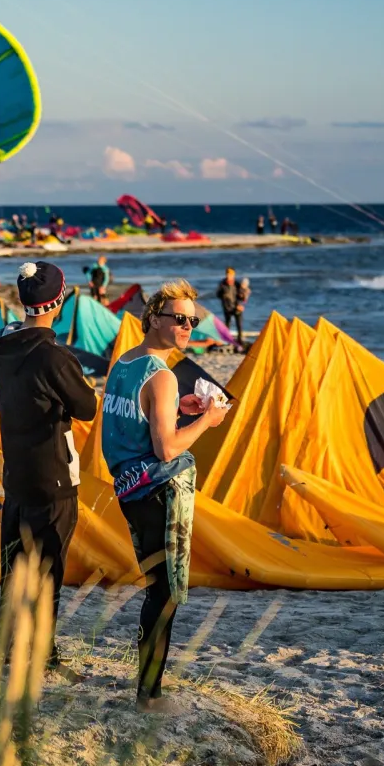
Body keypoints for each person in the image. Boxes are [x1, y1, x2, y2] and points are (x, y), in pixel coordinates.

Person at [102, 280, 228, 711]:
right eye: (178, 319)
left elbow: (136, 422)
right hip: (159, 490)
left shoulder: (124, 364)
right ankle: (149, 696)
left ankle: (147, 690)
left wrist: (179, 411)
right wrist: (208, 421)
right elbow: (168, 449)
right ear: (153, 318)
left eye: (192, 320)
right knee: (167, 592)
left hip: (128, 488)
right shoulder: (163, 376)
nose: (187, 327)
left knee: (158, 588)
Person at [0, 261, 98, 681]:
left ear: (22, 300)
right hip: (52, 474)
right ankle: (44, 657)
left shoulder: (3, 343)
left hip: (16, 473)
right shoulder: (53, 355)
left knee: (14, 567)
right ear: (60, 301)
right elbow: (86, 408)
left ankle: (10, 647)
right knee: (48, 567)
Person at [216, 267, 244, 346]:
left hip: (237, 307)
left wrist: (241, 303)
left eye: (230, 274)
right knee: (227, 324)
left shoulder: (237, 284)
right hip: (227, 308)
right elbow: (218, 294)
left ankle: (240, 341)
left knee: (239, 325)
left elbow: (242, 297)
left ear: (233, 275)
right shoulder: (222, 284)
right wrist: (223, 295)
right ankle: (227, 340)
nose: (229, 275)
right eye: (227, 274)